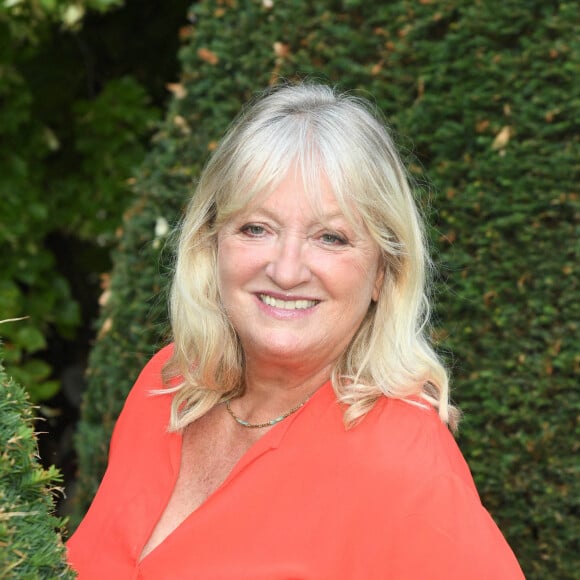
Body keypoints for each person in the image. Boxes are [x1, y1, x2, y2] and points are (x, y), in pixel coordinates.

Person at [67, 83, 524, 579]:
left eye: (330, 237)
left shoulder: (405, 462)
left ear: (382, 272)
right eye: (256, 228)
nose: (286, 271)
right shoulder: (170, 382)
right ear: (210, 243)